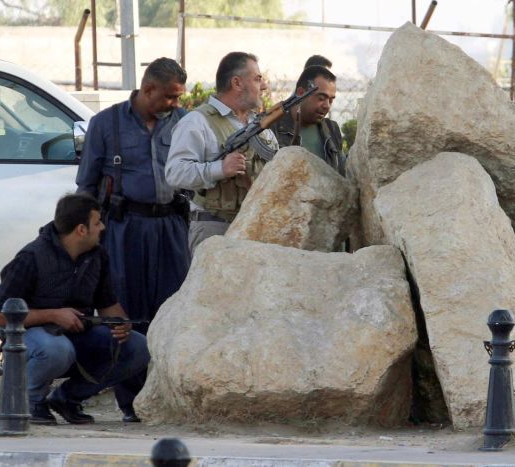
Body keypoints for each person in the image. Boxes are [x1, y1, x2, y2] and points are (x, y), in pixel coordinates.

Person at [75, 57, 190, 422]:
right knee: (125, 316)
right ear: (148, 89)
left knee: (173, 311)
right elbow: (86, 188)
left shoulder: (185, 123)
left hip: (171, 228)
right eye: (170, 97)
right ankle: (132, 403)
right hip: (123, 231)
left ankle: (169, 397)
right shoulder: (105, 124)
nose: (175, 104)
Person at [0, 194, 150, 425]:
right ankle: (28, 400)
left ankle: (67, 399)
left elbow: (107, 304)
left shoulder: (97, 256)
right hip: (32, 338)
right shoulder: (31, 257)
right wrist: (53, 315)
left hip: (76, 334)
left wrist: (121, 323)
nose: (102, 228)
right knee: (57, 349)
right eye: (97, 223)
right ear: (81, 230)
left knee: (137, 347)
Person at [166, 52, 278, 253]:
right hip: (215, 229)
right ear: (237, 83)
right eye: (257, 79)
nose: (263, 86)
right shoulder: (197, 122)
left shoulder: (259, 125)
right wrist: (220, 169)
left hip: (254, 227)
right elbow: (174, 173)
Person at [271, 65, 345, 176]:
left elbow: (342, 172)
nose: (327, 106)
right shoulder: (272, 129)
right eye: (321, 98)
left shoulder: (331, 129)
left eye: (331, 100)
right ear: (301, 93)